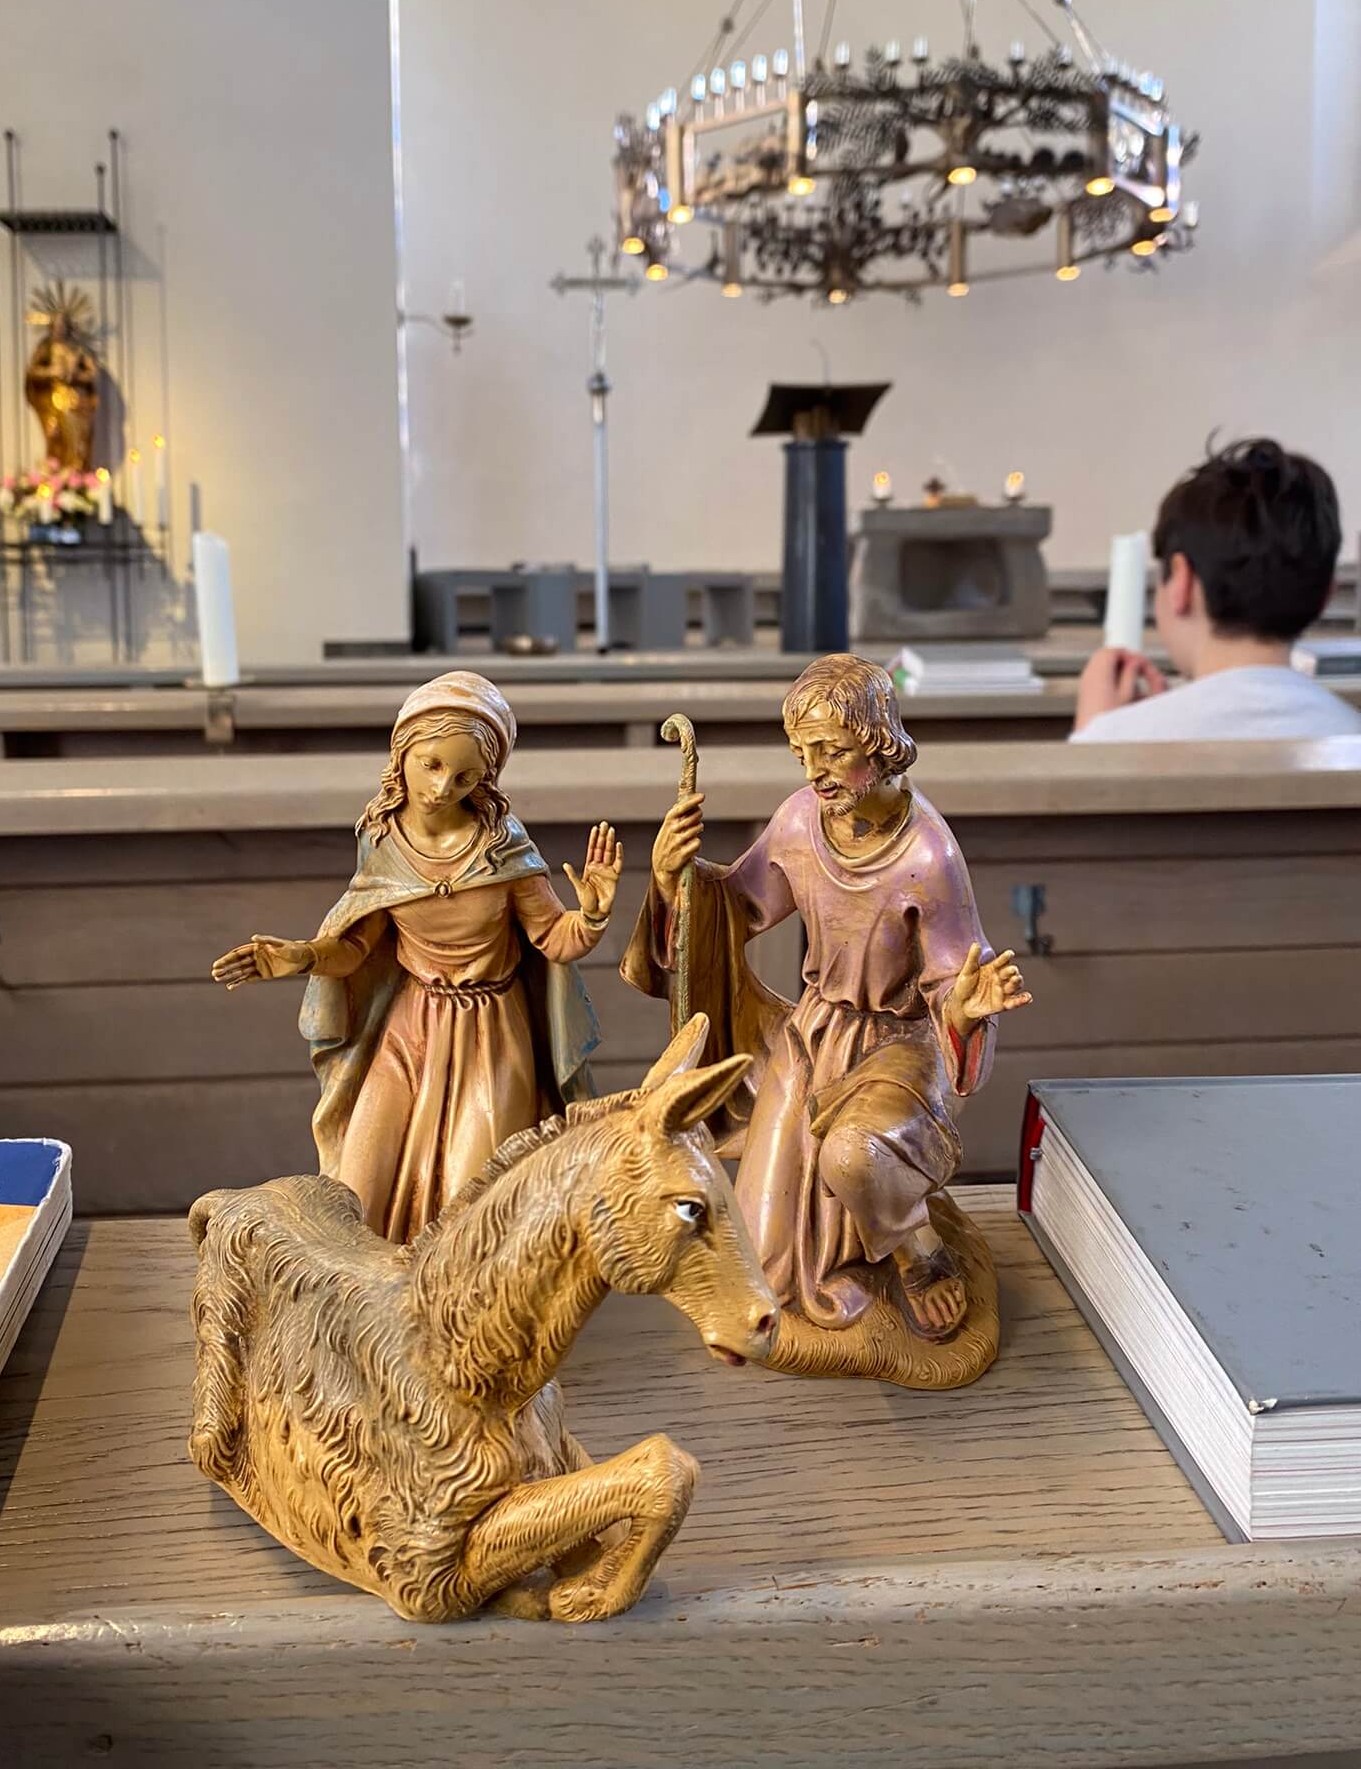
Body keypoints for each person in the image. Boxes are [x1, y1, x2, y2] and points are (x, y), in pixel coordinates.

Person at [622, 654, 1030, 1343]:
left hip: (899, 1046)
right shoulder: (799, 821)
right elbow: (734, 907)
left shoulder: (927, 857)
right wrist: (671, 877)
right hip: (814, 1037)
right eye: (802, 753)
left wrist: (964, 1010)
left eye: (833, 752)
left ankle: (918, 1250)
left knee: (852, 1156)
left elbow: (952, 980)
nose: (815, 771)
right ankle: (846, 1240)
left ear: (878, 742)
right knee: (763, 1268)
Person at [210, 672, 621, 1242]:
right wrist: (301, 957)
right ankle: (368, 1292)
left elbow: (555, 939)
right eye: (431, 765)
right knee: (360, 1183)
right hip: (410, 1031)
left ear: (485, 778)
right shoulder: (381, 843)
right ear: (401, 754)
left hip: (491, 1036)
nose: (442, 787)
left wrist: (592, 916)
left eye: (465, 776)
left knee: (475, 1203)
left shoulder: (502, 847)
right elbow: (356, 947)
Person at [1074, 438, 1360, 741]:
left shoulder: (1111, 738)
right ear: (1325, 596)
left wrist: (1094, 733)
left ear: (1180, 582)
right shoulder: (1352, 736)